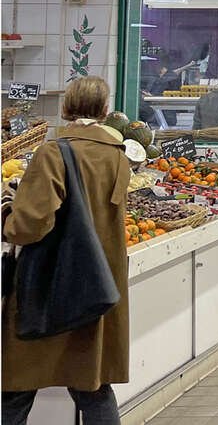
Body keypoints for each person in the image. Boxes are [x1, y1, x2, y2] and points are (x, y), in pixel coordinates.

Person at [2, 76, 131, 425]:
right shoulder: (119, 156)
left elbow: (30, 225)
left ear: (65, 108)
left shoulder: (54, 152)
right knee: (92, 385)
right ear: (105, 110)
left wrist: (6, 213)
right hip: (96, 285)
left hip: (51, 286)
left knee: (16, 385)